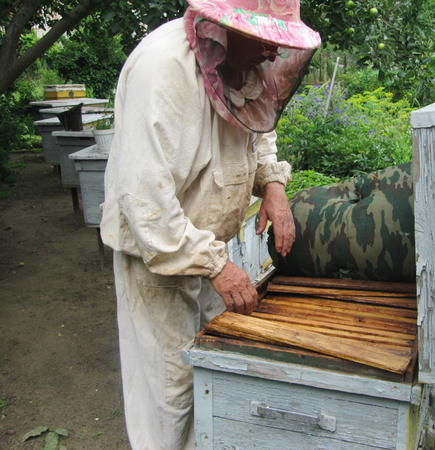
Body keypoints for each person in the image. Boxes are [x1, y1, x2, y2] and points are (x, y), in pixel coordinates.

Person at [99, 1, 321, 448]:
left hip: (211, 249)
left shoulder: (246, 62)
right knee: (170, 391)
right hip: (158, 254)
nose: (273, 53)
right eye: (264, 39)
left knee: (216, 371)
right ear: (221, 28)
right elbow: (144, 196)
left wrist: (272, 185)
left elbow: (257, 126)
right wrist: (215, 264)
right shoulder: (162, 69)